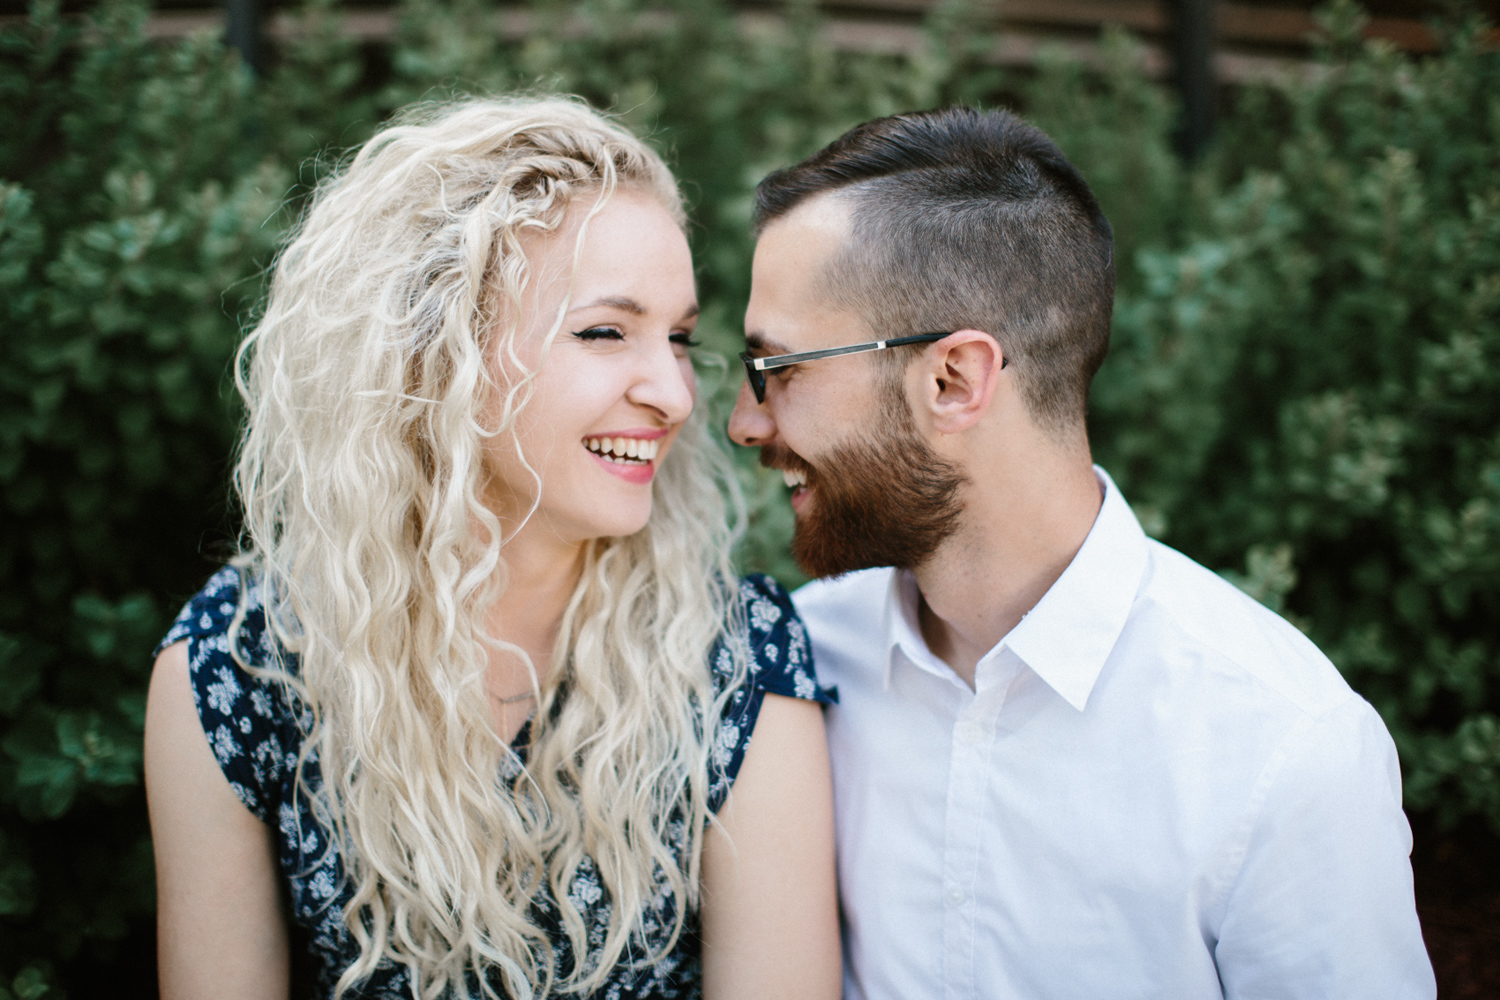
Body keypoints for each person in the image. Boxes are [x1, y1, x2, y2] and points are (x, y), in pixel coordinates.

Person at [728, 106, 1436, 999]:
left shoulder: (1282, 750)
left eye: (779, 370)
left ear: (953, 379)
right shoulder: (799, 668)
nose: (744, 422)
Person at [144, 97, 841, 1000]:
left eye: (677, 339)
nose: (674, 393)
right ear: (435, 354)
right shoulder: (240, 666)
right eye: (605, 332)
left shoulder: (738, 657)